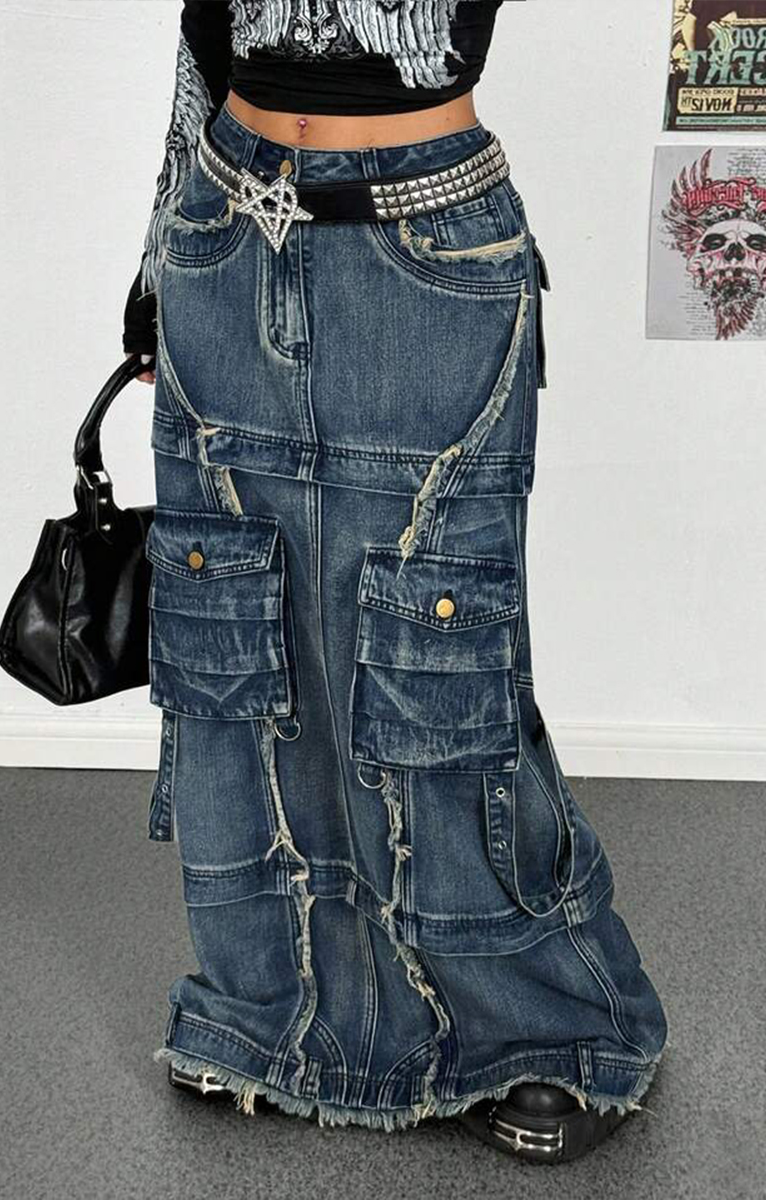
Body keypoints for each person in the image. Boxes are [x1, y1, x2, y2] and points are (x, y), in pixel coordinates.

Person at [124, 0, 668, 1165]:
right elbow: (203, 31)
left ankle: (547, 1028)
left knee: (436, 652)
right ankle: (271, 1019)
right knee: (234, 635)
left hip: (427, 239)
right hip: (225, 228)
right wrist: (157, 248)